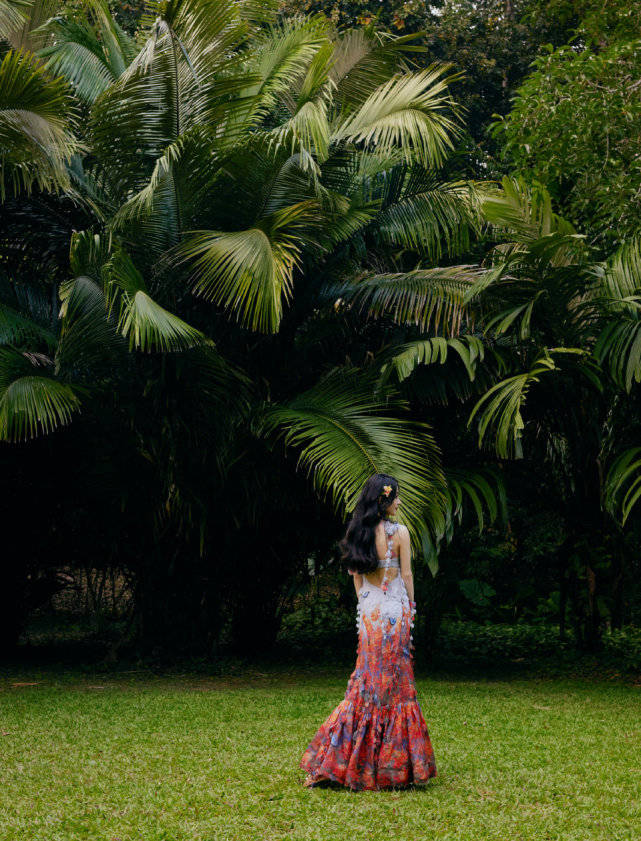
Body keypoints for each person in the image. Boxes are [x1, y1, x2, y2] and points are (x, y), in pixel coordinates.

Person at [300, 473, 437, 791]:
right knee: (396, 688)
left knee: (364, 686)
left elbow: (356, 578)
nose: (399, 502)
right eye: (396, 497)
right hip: (394, 612)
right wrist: (411, 607)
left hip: (370, 613)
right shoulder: (400, 532)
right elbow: (406, 574)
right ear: (385, 501)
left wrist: (366, 603)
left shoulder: (357, 532)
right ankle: (393, 768)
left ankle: (340, 761)